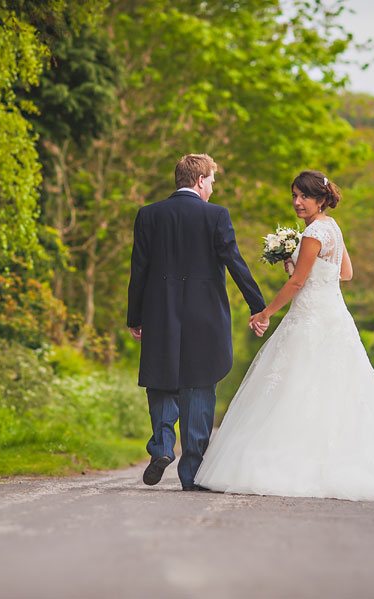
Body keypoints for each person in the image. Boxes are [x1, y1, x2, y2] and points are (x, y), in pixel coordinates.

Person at [194, 170, 374, 507]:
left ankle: (298, 463)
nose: (297, 202)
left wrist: (265, 313)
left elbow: (296, 285)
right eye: (294, 195)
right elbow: (346, 273)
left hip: (310, 317)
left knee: (296, 385)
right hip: (333, 315)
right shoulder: (332, 228)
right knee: (334, 388)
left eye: (304, 196)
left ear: (321, 199)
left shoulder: (312, 234)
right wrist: (299, 266)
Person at [127, 154, 266, 491]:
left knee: (162, 381)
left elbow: (139, 269)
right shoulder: (215, 215)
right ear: (201, 179)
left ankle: (161, 447)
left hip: (159, 313)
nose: (213, 188)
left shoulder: (149, 214)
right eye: (212, 181)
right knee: (199, 386)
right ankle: (192, 473)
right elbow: (235, 262)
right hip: (205, 317)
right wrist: (257, 305)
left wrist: (135, 316)